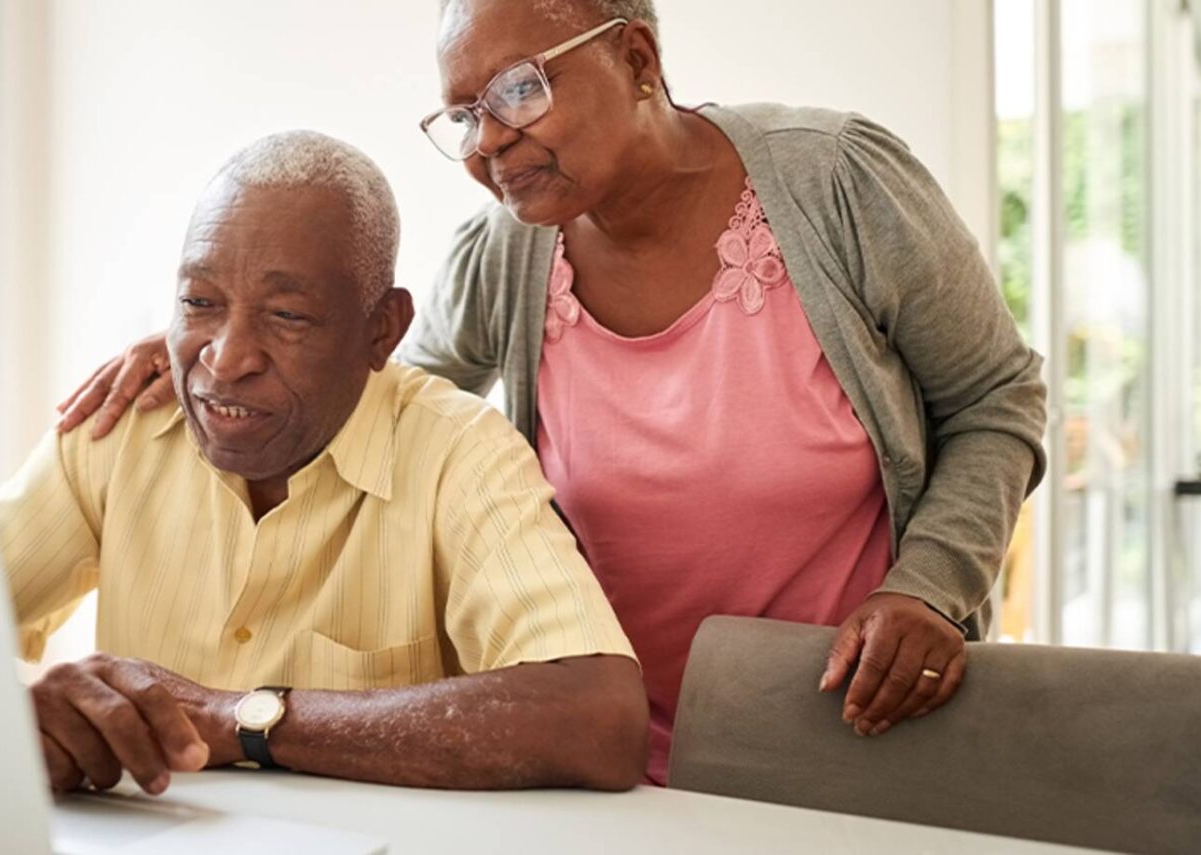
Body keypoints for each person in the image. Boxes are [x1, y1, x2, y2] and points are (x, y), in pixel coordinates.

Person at [57, 0, 1047, 785]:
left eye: (519, 90)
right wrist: (226, 336)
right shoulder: (510, 250)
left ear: (639, 61)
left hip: (847, 722)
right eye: (461, 113)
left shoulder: (835, 182)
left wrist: (927, 589)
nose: (486, 141)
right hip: (595, 747)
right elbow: (387, 399)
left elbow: (998, 399)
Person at [0, 131, 647, 795]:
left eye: (286, 314)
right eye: (199, 303)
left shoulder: (458, 452)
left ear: (381, 329)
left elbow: (599, 719)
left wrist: (239, 718)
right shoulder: (117, 428)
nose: (226, 357)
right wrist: (34, 707)